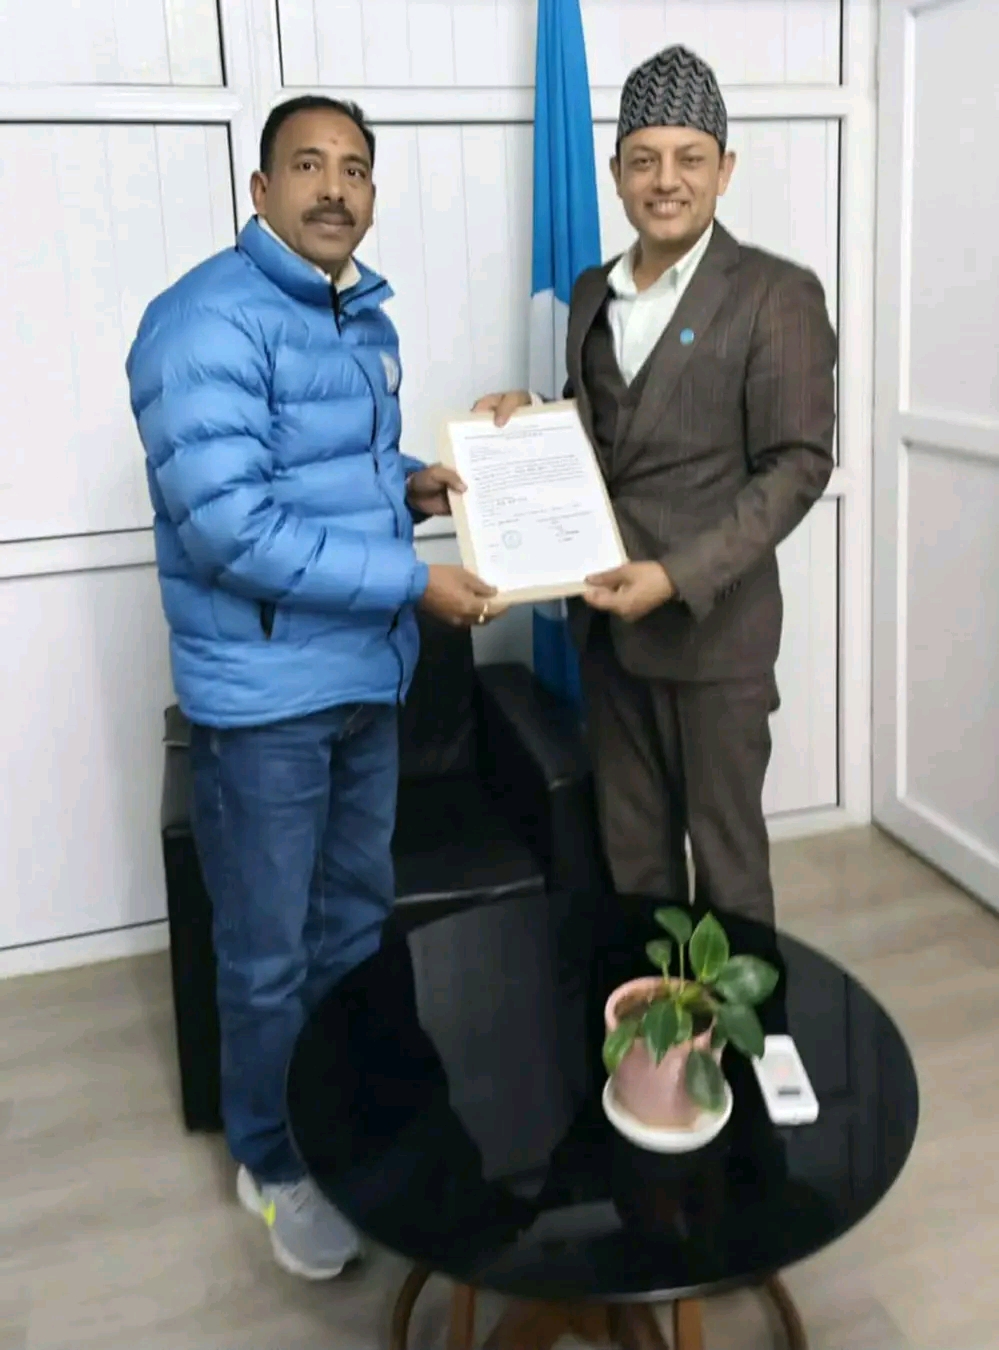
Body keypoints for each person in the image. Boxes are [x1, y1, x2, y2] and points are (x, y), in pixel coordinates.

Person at [127, 95, 498, 1281]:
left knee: (351, 924)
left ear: (372, 194)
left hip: (361, 685)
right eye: (308, 166)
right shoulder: (201, 322)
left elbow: (332, 471)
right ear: (261, 189)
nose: (335, 188)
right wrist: (414, 582)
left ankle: (345, 1115)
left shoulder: (357, 315)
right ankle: (273, 1158)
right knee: (266, 955)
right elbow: (232, 529)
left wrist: (417, 485)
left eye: (355, 170)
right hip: (265, 705)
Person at [475, 46, 836, 928]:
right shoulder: (590, 292)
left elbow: (797, 464)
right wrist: (532, 420)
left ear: (724, 170)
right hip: (606, 631)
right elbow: (608, 434)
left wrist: (674, 577)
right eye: (643, 159)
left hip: (712, 638)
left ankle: (739, 1022)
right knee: (632, 862)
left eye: (688, 158)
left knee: (728, 870)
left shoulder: (776, 294)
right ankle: (649, 1015)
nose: (664, 180)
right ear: (615, 173)